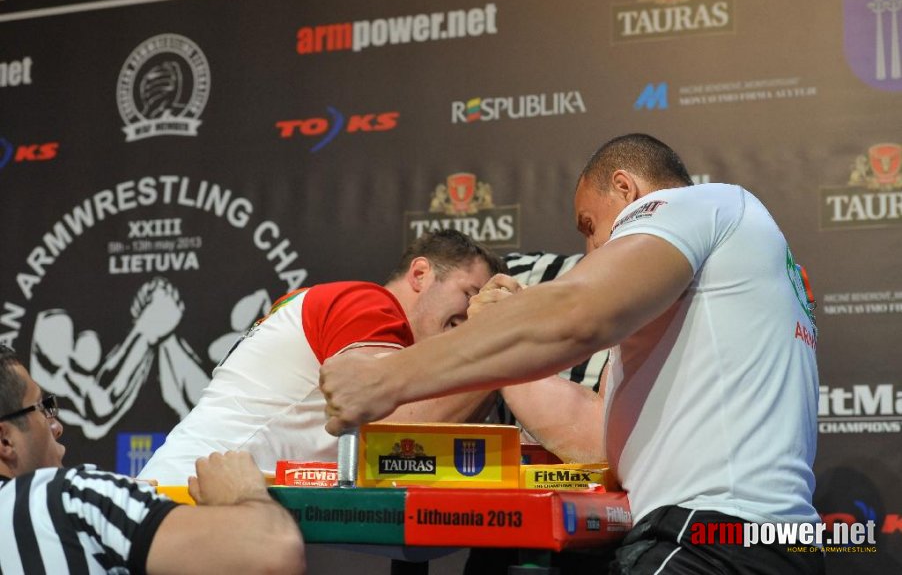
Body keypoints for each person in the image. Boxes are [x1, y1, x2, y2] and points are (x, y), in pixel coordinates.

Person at [320, 134, 823, 574]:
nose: (588, 250)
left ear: (626, 191)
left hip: (709, 539)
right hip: (747, 539)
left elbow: (578, 311)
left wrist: (386, 378)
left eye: (589, 224)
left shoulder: (698, 204)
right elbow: (595, 440)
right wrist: (504, 343)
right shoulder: (711, 292)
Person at [140, 229, 506, 484]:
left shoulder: (366, 322)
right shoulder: (365, 303)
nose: (473, 310)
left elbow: (409, 457)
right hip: (189, 497)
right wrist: (501, 343)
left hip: (210, 497)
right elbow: (396, 434)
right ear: (421, 274)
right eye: (469, 293)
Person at [0, 344, 306, 574]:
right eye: (41, 407)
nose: (56, 425)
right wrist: (244, 494)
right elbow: (274, 551)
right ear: (5, 440)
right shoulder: (68, 498)